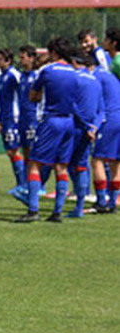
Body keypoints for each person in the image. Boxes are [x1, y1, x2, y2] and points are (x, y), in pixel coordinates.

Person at [15, 37, 78, 223]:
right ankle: (57, 212)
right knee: (61, 166)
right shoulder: (74, 72)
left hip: (51, 120)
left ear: (54, 53)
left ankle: (33, 210)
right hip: (69, 121)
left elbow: (33, 95)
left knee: (35, 163)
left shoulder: (47, 70)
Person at [66, 52, 102, 218]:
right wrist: (94, 127)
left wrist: (86, 125)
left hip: (75, 127)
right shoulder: (95, 81)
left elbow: (71, 103)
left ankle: (52, 207)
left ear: (74, 62)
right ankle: (79, 207)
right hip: (89, 131)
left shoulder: (73, 78)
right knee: (81, 165)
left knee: (63, 163)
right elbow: (101, 109)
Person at [90, 47, 120, 213]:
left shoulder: (95, 76)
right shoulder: (110, 75)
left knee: (97, 160)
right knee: (116, 162)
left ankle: (101, 201)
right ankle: (113, 202)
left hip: (110, 119)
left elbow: (94, 102)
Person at [0, 48, 26, 192]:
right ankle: (21, 183)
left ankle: (23, 184)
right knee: (10, 151)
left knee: (14, 150)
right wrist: (0, 119)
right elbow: (3, 100)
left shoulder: (14, 75)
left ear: (8, 61)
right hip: (6, 118)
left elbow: (24, 91)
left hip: (15, 117)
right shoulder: (1, 77)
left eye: (0, 59)